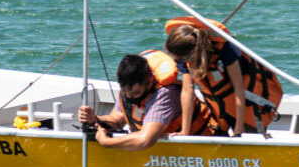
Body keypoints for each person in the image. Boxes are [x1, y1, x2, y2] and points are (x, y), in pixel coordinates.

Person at [164, 16, 283, 136]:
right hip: (219, 105)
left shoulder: (226, 50)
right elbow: (187, 91)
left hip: (246, 105)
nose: (179, 61)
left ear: (193, 53)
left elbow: (239, 88)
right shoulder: (184, 57)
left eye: (181, 59)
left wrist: (239, 127)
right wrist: (184, 131)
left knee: (249, 136)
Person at [77, 52, 214, 151]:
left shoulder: (165, 94)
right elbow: (116, 119)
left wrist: (107, 142)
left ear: (149, 81)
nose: (130, 97)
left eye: (136, 93)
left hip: (199, 148)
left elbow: (145, 140)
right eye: (126, 93)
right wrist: (95, 119)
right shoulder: (127, 90)